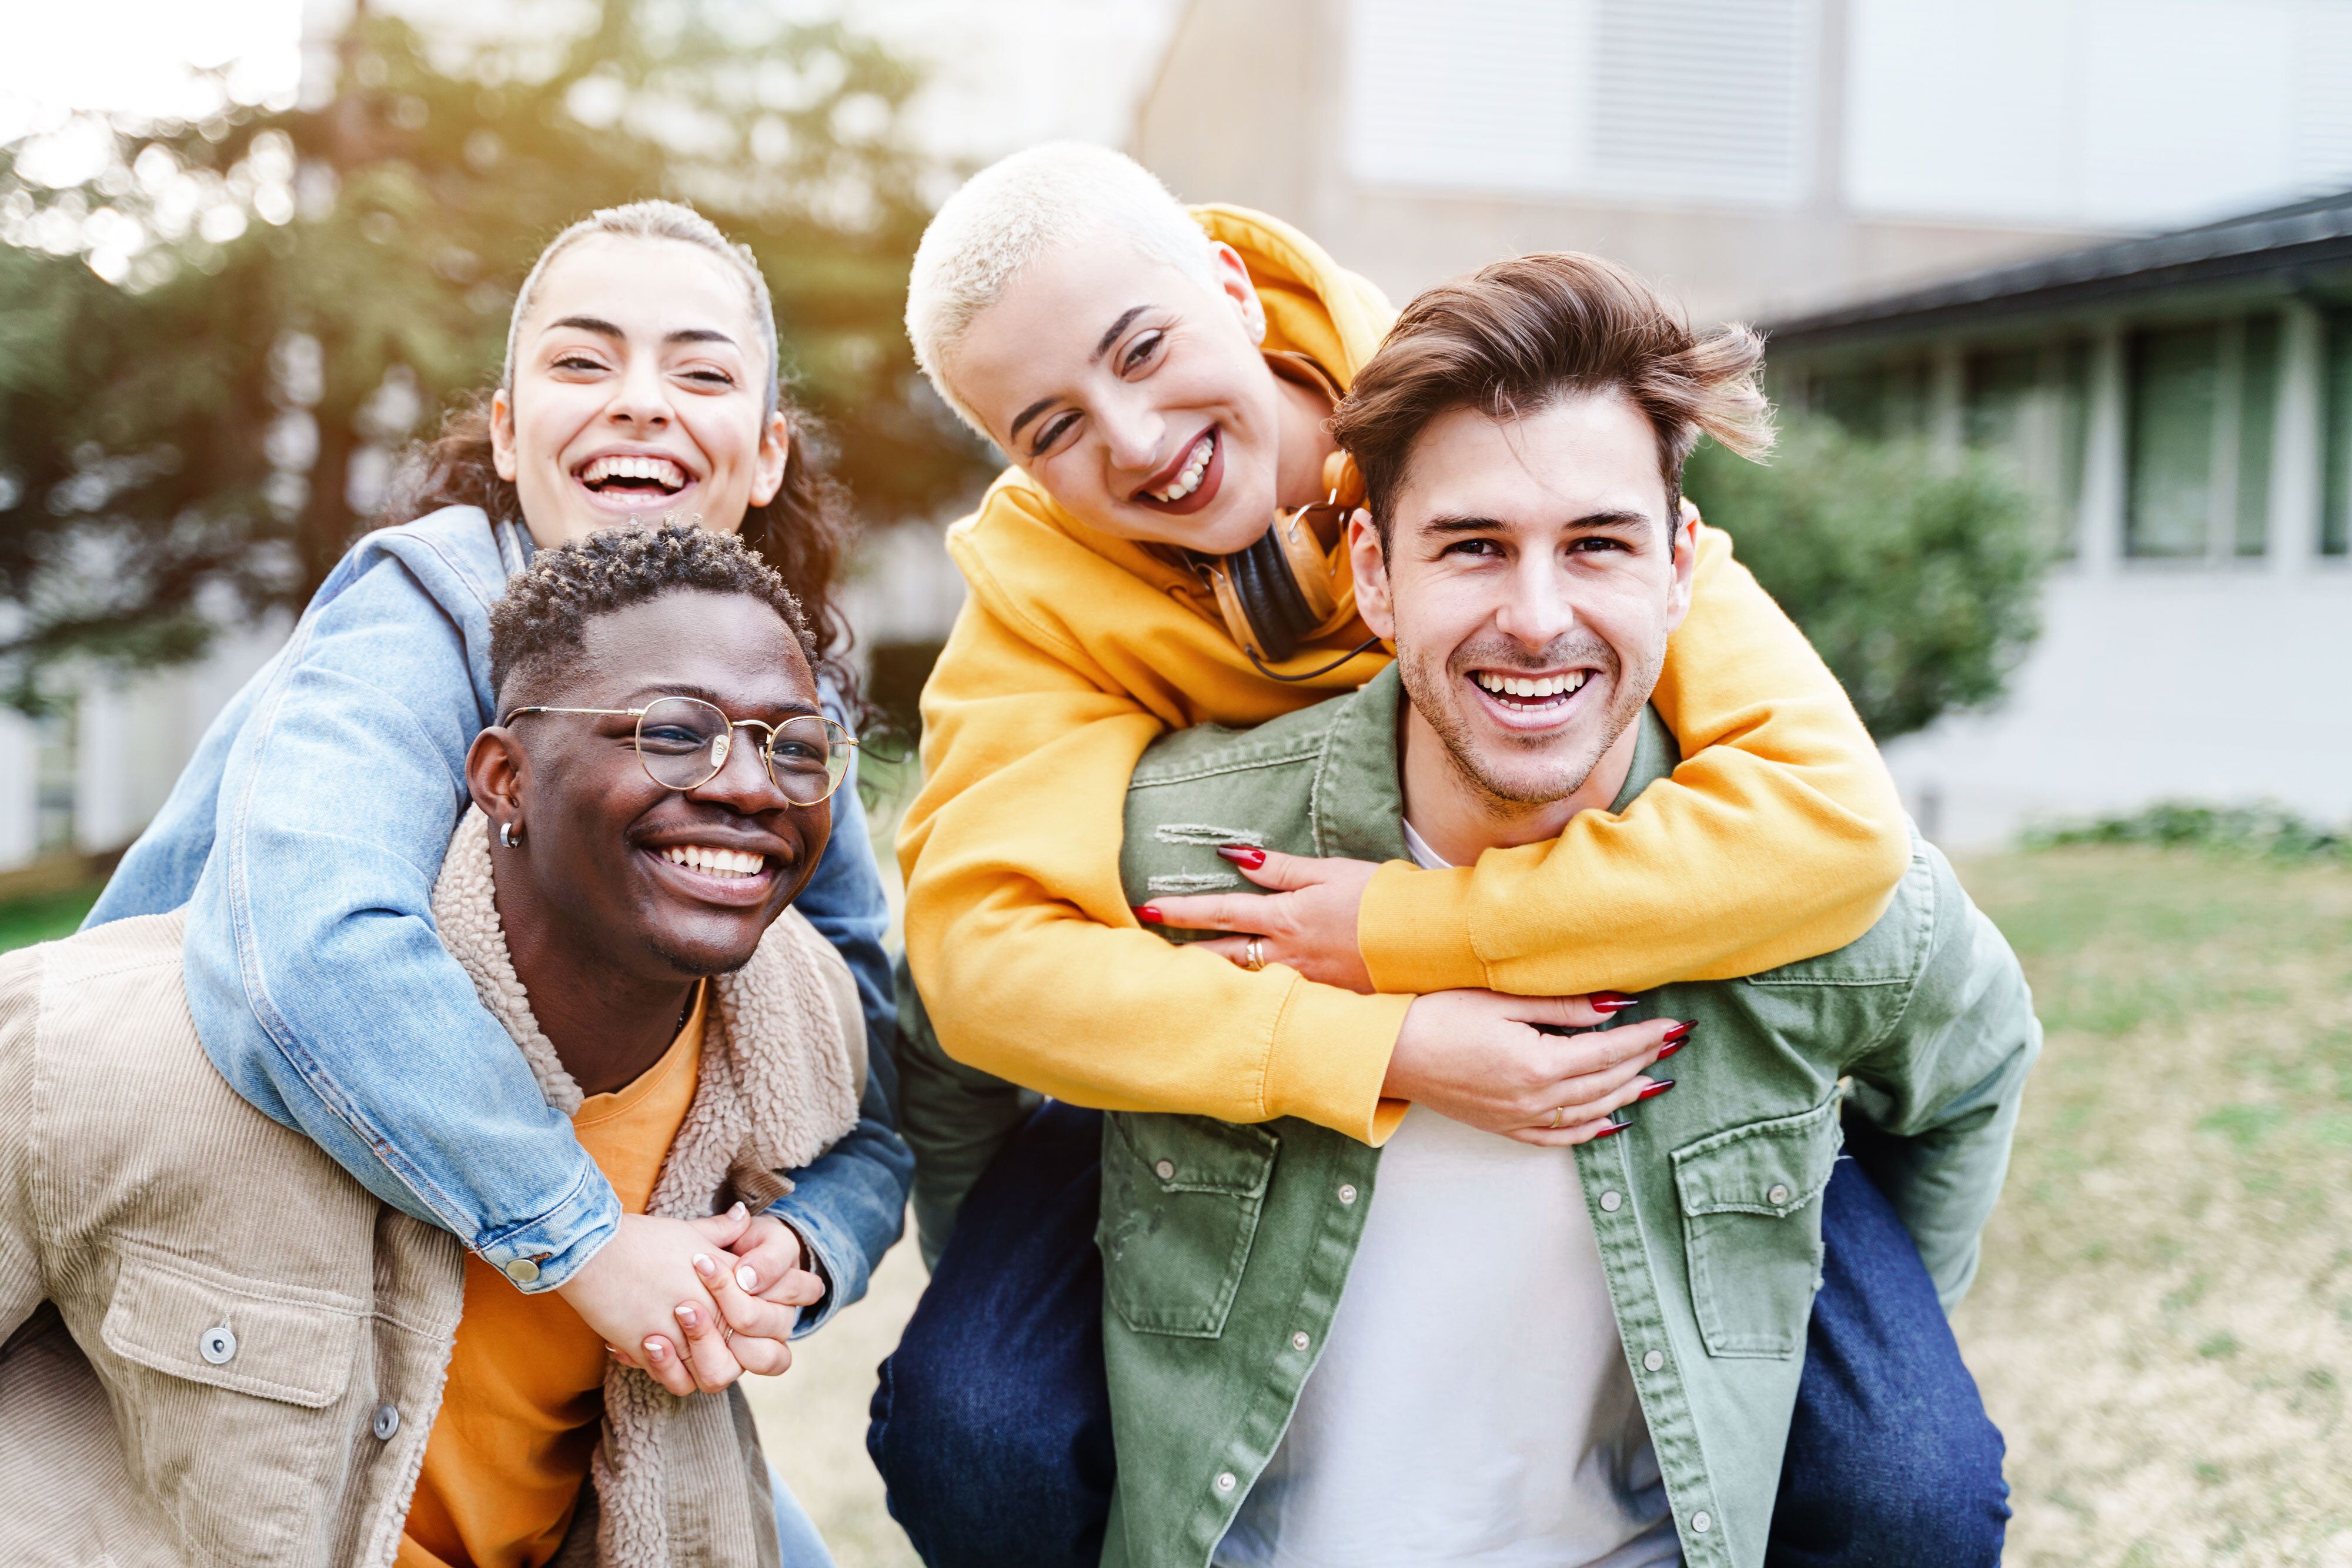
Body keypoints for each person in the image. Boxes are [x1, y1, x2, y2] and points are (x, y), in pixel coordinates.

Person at [867, 149, 1979, 1564]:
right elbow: (982, 967)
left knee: (1911, 1481)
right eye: (1052, 429)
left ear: (1227, 280)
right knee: (977, 1421)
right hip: (1221, 1034)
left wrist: (1410, 926)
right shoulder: (1040, 606)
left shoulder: (1500, 439)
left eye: (1141, 350)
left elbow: (1831, 827)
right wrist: (1381, 1042)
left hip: (1580, 990)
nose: (1136, 438)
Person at [82, 201, 910, 1398]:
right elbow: (306, 947)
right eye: (585, 359)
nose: (638, 398)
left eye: (699, 370)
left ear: (766, 452)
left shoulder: (782, 710)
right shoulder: (417, 612)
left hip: (555, 1360)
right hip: (245, 1273)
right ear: (512, 437)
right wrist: (584, 1237)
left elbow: (871, 1066)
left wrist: (804, 1240)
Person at [0, 524, 885, 1566]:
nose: (749, 787)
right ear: (505, 779)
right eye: (674, 734)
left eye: (795, 746)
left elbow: (881, 1146)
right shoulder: (92, 1050)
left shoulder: (802, 1034)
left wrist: (805, 1247)